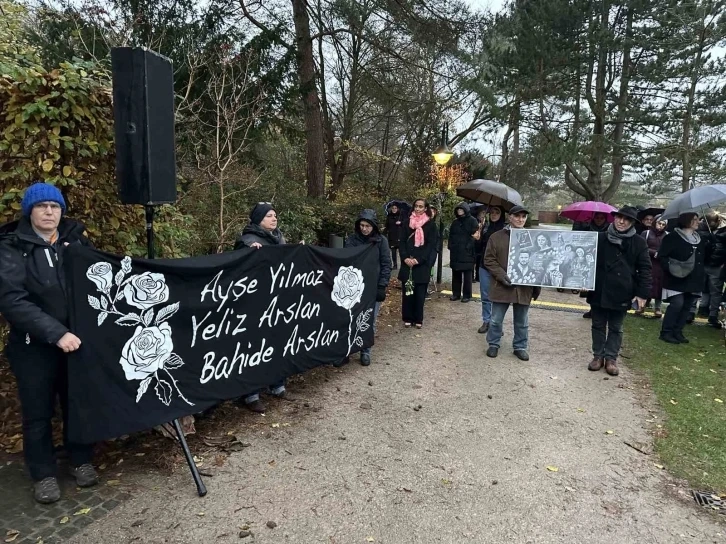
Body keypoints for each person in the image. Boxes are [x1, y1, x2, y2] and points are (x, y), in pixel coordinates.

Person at [0, 182, 99, 504]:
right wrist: (56, 333)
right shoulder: (12, 246)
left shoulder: (75, 240)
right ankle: (43, 474)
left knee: (79, 404)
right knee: (38, 413)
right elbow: (13, 300)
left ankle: (82, 460)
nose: (48, 212)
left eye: (54, 206)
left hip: (77, 345)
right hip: (34, 347)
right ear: (30, 211)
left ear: (61, 211)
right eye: (42, 206)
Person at [234, 202, 290, 412]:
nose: (274, 219)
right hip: (255, 304)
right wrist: (249, 254)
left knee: (277, 342)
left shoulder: (279, 238)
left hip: (277, 301)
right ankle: (251, 393)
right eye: (269, 216)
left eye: (275, 215)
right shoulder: (247, 240)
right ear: (258, 219)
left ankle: (277, 384)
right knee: (255, 346)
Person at [586, 207, 651, 376]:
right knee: (598, 324)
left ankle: (611, 358)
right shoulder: (600, 237)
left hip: (623, 290)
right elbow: (587, 261)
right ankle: (598, 356)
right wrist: (581, 280)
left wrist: (643, 293)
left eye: (626, 219)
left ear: (632, 223)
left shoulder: (638, 242)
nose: (622, 221)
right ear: (614, 218)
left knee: (616, 327)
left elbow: (645, 269)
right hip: (600, 288)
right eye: (619, 217)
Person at [483, 205, 540, 361]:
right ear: (510, 217)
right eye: (517, 216)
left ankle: (520, 346)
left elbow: (539, 262)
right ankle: (493, 344)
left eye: (523, 217)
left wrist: (537, 285)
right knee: (495, 319)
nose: (520, 219)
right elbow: (488, 259)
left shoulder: (533, 238)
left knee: (522, 321)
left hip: (524, 287)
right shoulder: (496, 237)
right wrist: (501, 275)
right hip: (501, 285)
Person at [343, 210, 392, 365]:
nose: (364, 229)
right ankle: (345, 351)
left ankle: (365, 351)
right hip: (354, 286)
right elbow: (345, 260)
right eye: (362, 225)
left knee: (368, 320)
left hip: (373, 286)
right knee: (349, 319)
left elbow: (386, 264)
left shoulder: (381, 241)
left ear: (373, 226)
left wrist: (382, 285)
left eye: (367, 226)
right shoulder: (352, 240)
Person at [658, 212, 706, 344]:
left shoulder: (699, 238)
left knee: (687, 305)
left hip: (693, 279)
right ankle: (666, 332)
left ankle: (677, 331)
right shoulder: (673, 237)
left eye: (698, 219)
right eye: (695, 219)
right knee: (677, 304)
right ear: (686, 221)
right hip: (676, 278)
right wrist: (671, 268)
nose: (698, 222)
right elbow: (662, 256)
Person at [398, 198, 437, 328]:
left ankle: (418, 318)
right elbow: (402, 241)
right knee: (407, 293)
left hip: (421, 264)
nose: (418, 209)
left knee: (420, 294)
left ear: (426, 208)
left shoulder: (430, 225)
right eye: (416, 206)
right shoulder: (406, 222)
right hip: (407, 262)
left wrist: (419, 259)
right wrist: (405, 258)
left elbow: (431, 245)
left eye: (421, 206)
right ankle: (407, 317)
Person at [477, 206, 505, 334]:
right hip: (484, 266)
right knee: (485, 295)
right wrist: (478, 235)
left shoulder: (506, 230)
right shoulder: (485, 227)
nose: (493, 215)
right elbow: (479, 247)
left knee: (499, 296)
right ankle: (486, 320)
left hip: (499, 268)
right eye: (492, 213)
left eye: (497, 212)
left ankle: (497, 323)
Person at [695, 211, 726, 327]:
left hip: (717, 264)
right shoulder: (702, 231)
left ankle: (713, 315)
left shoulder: (723, 232)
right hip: (704, 263)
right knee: (699, 288)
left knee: (715, 291)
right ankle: (694, 311)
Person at [448, 202, 479, 303]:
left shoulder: (473, 221)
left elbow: (475, 236)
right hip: (456, 252)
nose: (459, 211)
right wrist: (451, 247)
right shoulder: (455, 222)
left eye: (461, 209)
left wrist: (469, 246)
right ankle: (456, 293)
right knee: (456, 274)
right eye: (458, 209)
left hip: (467, 252)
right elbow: (451, 236)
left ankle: (467, 295)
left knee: (467, 276)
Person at [638, 215, 668, 318]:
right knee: (646, 283)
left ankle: (658, 308)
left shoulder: (667, 235)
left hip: (660, 264)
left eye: (663, 224)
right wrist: (653, 253)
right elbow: (641, 246)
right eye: (659, 223)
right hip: (647, 262)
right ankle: (641, 305)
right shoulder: (646, 233)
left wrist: (662, 254)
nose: (661, 226)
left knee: (659, 286)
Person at [385, 203, 405, 269]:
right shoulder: (389, 216)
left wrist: (400, 223)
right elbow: (387, 226)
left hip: (399, 236)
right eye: (393, 208)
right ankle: (395, 265)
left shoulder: (401, 216)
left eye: (395, 208)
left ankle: (403, 265)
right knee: (393, 252)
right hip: (392, 236)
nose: (394, 209)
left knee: (401, 252)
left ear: (397, 209)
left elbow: (405, 224)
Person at [473, 208, 488, 283]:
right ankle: (472, 277)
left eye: (483, 213)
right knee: (473, 262)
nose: (482, 215)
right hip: (475, 245)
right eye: (481, 214)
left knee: (479, 262)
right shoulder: (475, 222)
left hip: (482, 246)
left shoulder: (487, 224)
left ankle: (478, 277)